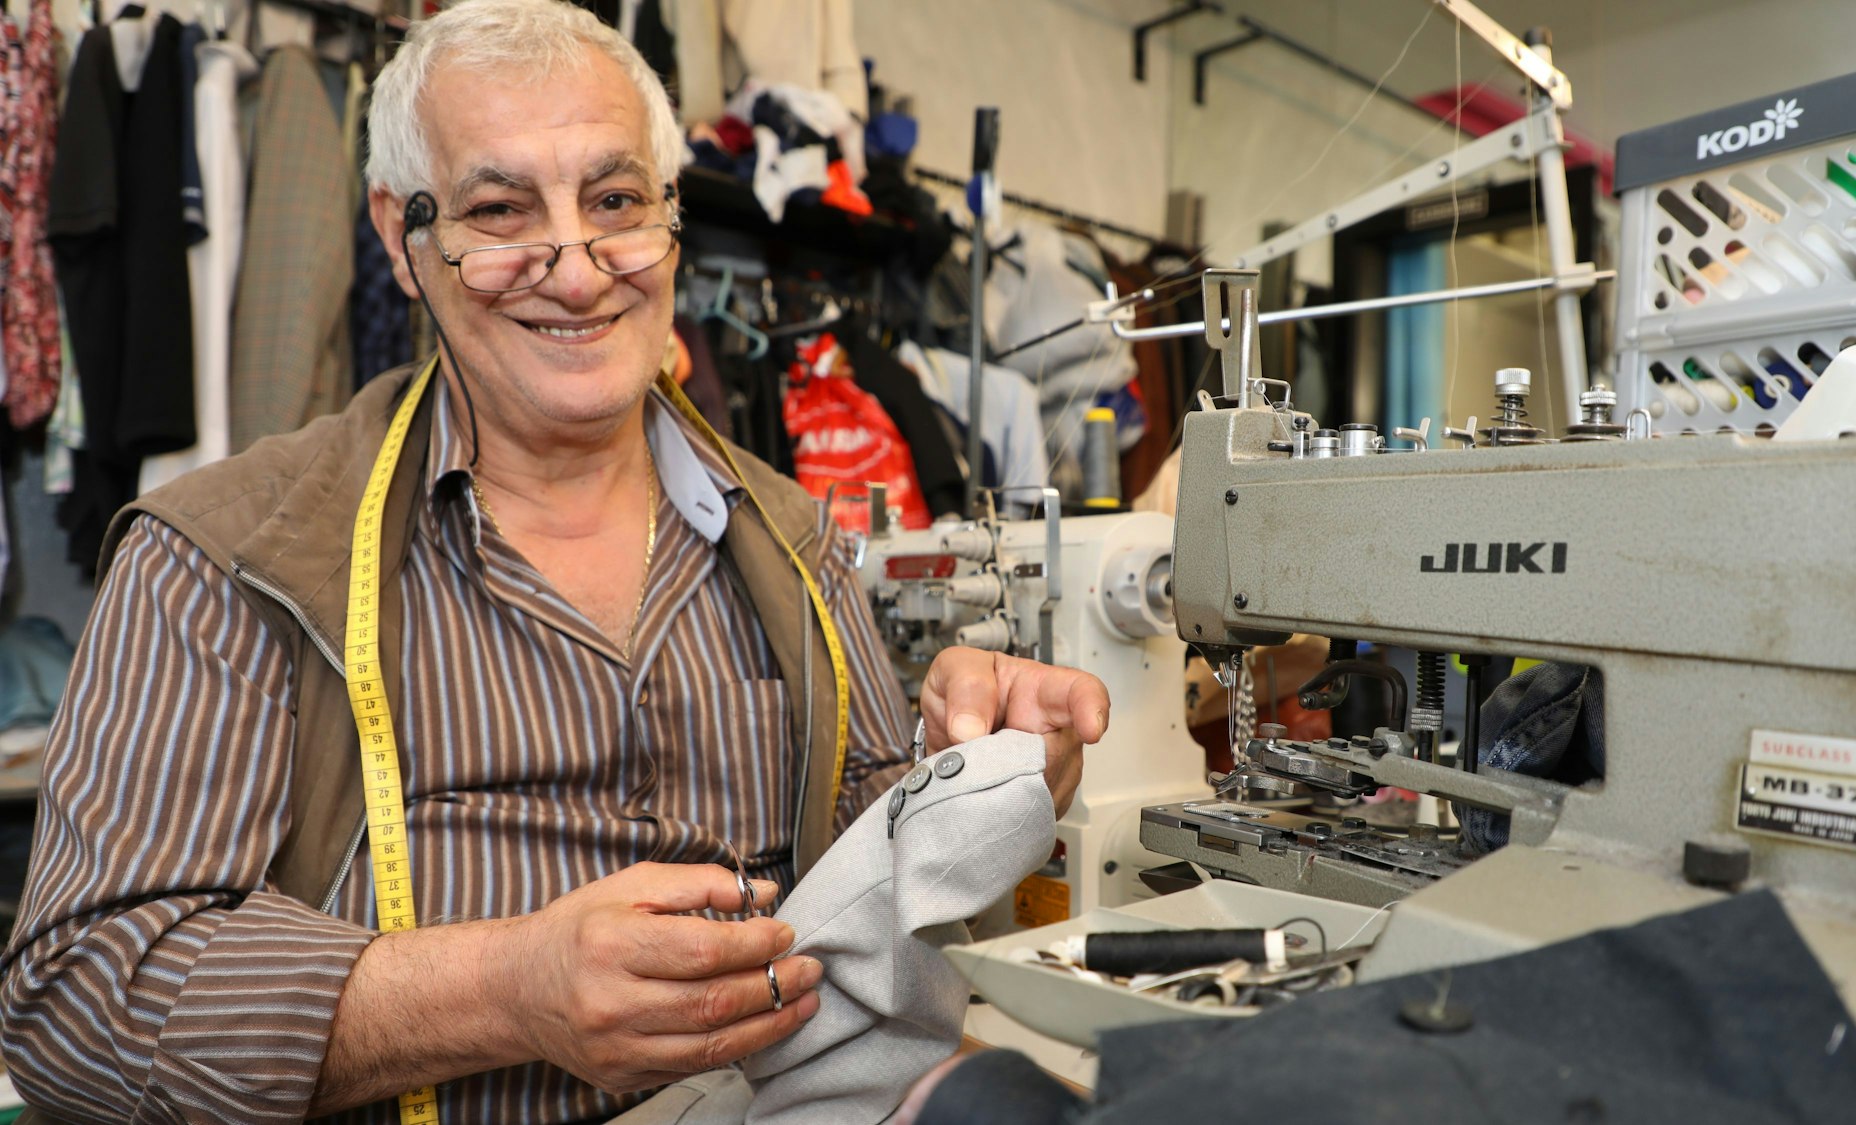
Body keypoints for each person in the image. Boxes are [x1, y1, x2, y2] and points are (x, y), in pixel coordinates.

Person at [0, 1, 1108, 1120]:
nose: (576, 273)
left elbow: (868, 875)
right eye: (498, 211)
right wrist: (506, 991)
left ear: (670, 220)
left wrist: (969, 767)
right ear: (401, 237)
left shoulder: (791, 545)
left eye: (616, 202)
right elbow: (72, 1001)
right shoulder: (225, 561)